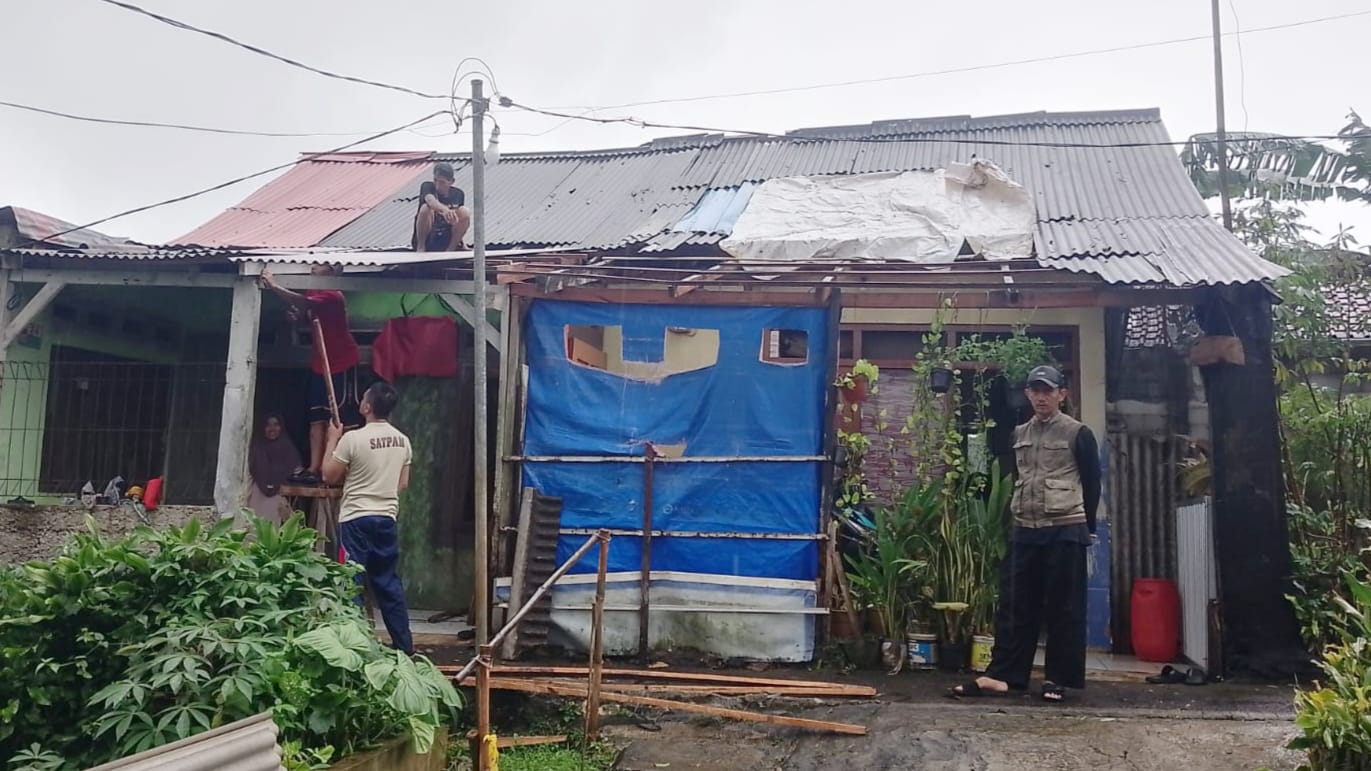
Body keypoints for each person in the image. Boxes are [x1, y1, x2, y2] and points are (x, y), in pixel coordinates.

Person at [951, 365, 1101, 703]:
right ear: (1028, 394)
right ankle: (1005, 676)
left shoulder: (1078, 433)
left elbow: (1092, 484)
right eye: (1035, 390)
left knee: (1064, 608)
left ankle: (1057, 679)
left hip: (1064, 528)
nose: (1041, 396)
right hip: (1024, 529)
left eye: (1048, 390)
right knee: (1015, 604)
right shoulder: (1018, 434)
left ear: (1062, 394)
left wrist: (1085, 528)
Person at [323, 381, 415, 655]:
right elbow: (403, 484)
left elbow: (328, 475)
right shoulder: (403, 441)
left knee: (351, 583)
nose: (360, 402)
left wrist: (332, 440)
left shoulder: (353, 440)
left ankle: (354, 647)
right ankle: (404, 647)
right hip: (386, 518)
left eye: (363, 398)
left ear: (367, 407)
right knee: (388, 583)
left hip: (355, 519)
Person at [258, 265, 361, 484]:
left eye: (322, 263)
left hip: (341, 362)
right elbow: (308, 313)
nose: (314, 265)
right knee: (317, 417)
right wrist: (297, 317)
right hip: (319, 362)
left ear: (332, 271)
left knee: (339, 417)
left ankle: (337, 466)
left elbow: (305, 304)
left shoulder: (333, 294)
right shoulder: (312, 289)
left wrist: (275, 286)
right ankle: (314, 468)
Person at [247, 414, 303, 525]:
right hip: (258, 492)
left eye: (276, 425)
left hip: (281, 496)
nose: (272, 429)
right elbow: (256, 468)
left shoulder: (287, 447)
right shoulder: (257, 447)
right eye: (268, 425)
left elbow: (297, 470)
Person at [412, 161, 471, 252]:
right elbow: (430, 200)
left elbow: (461, 221)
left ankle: (451, 249)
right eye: (436, 180)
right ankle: (421, 247)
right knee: (425, 208)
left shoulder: (458, 194)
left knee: (465, 211)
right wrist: (445, 210)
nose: (438, 186)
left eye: (442, 182)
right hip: (429, 237)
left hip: (445, 239)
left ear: (451, 181)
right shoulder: (427, 186)